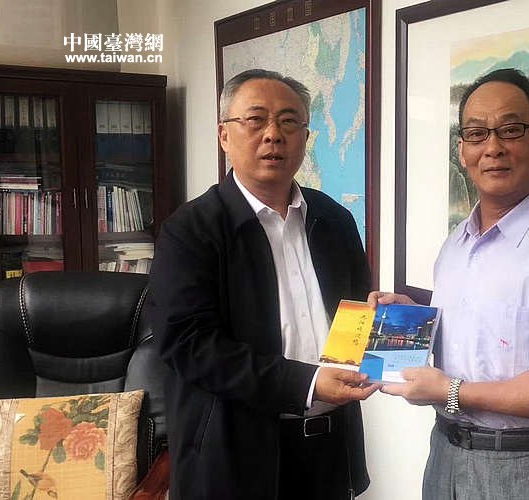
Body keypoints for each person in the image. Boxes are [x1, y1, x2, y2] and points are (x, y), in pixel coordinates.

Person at [370, 68, 529, 500]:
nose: (493, 148)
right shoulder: (456, 244)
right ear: (462, 150)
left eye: (510, 130)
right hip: (446, 455)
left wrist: (450, 392)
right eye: (476, 134)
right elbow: (478, 340)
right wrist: (412, 318)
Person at [150, 69, 378, 500]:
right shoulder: (190, 230)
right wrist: (305, 384)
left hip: (329, 451)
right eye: (255, 120)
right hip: (232, 461)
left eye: (289, 121)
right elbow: (189, 345)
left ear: (305, 137)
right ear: (224, 135)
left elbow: (354, 318)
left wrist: (388, 320)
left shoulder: (334, 220)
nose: (273, 134)